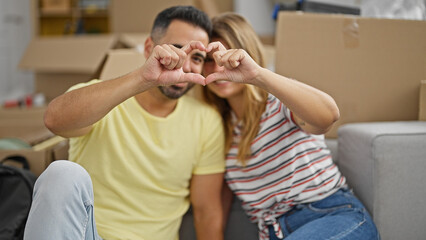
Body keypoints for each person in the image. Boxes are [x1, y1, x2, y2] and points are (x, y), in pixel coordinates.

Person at [24, 6, 225, 240]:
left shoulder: (206, 121)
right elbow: (54, 121)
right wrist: (143, 77)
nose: (184, 65)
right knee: (62, 174)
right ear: (150, 48)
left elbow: (207, 212)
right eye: (176, 50)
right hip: (88, 234)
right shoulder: (103, 96)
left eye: (197, 58)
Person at [201, 13, 380, 240]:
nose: (218, 67)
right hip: (275, 232)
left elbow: (328, 116)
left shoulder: (277, 101)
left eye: (227, 56)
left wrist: (256, 75)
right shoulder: (219, 128)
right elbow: (215, 208)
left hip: (330, 214)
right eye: (208, 59)